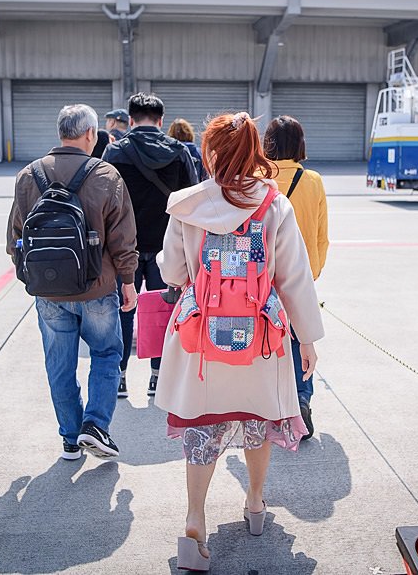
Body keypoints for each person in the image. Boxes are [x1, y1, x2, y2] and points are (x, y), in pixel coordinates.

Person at [154, 112, 323, 571]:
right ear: (255, 153)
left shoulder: (186, 205)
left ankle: (194, 522)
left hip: (201, 344)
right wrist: (307, 338)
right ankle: (254, 503)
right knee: (256, 421)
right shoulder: (274, 205)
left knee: (203, 430)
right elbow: (295, 279)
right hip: (260, 341)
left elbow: (172, 273)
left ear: (210, 152)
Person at [6, 104, 139, 461]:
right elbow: (124, 239)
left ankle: (69, 438)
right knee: (107, 354)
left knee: (59, 364)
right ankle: (95, 426)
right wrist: (127, 281)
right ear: (90, 135)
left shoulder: (28, 175)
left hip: (48, 291)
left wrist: (33, 278)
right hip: (97, 287)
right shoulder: (105, 175)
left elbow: (14, 239)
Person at [102, 93, 199, 398]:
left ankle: (119, 376)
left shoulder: (114, 153)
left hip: (123, 247)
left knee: (122, 309)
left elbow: (104, 201)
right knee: (163, 311)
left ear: (130, 120)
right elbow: (192, 201)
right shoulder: (179, 152)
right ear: (161, 121)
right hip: (166, 247)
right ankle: (158, 375)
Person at [263, 115, 329, 441]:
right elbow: (321, 235)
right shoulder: (313, 180)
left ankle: (271, 405)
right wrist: (312, 273)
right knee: (300, 338)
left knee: (265, 342)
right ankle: (301, 400)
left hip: (262, 278)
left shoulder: (258, 177)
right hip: (300, 275)